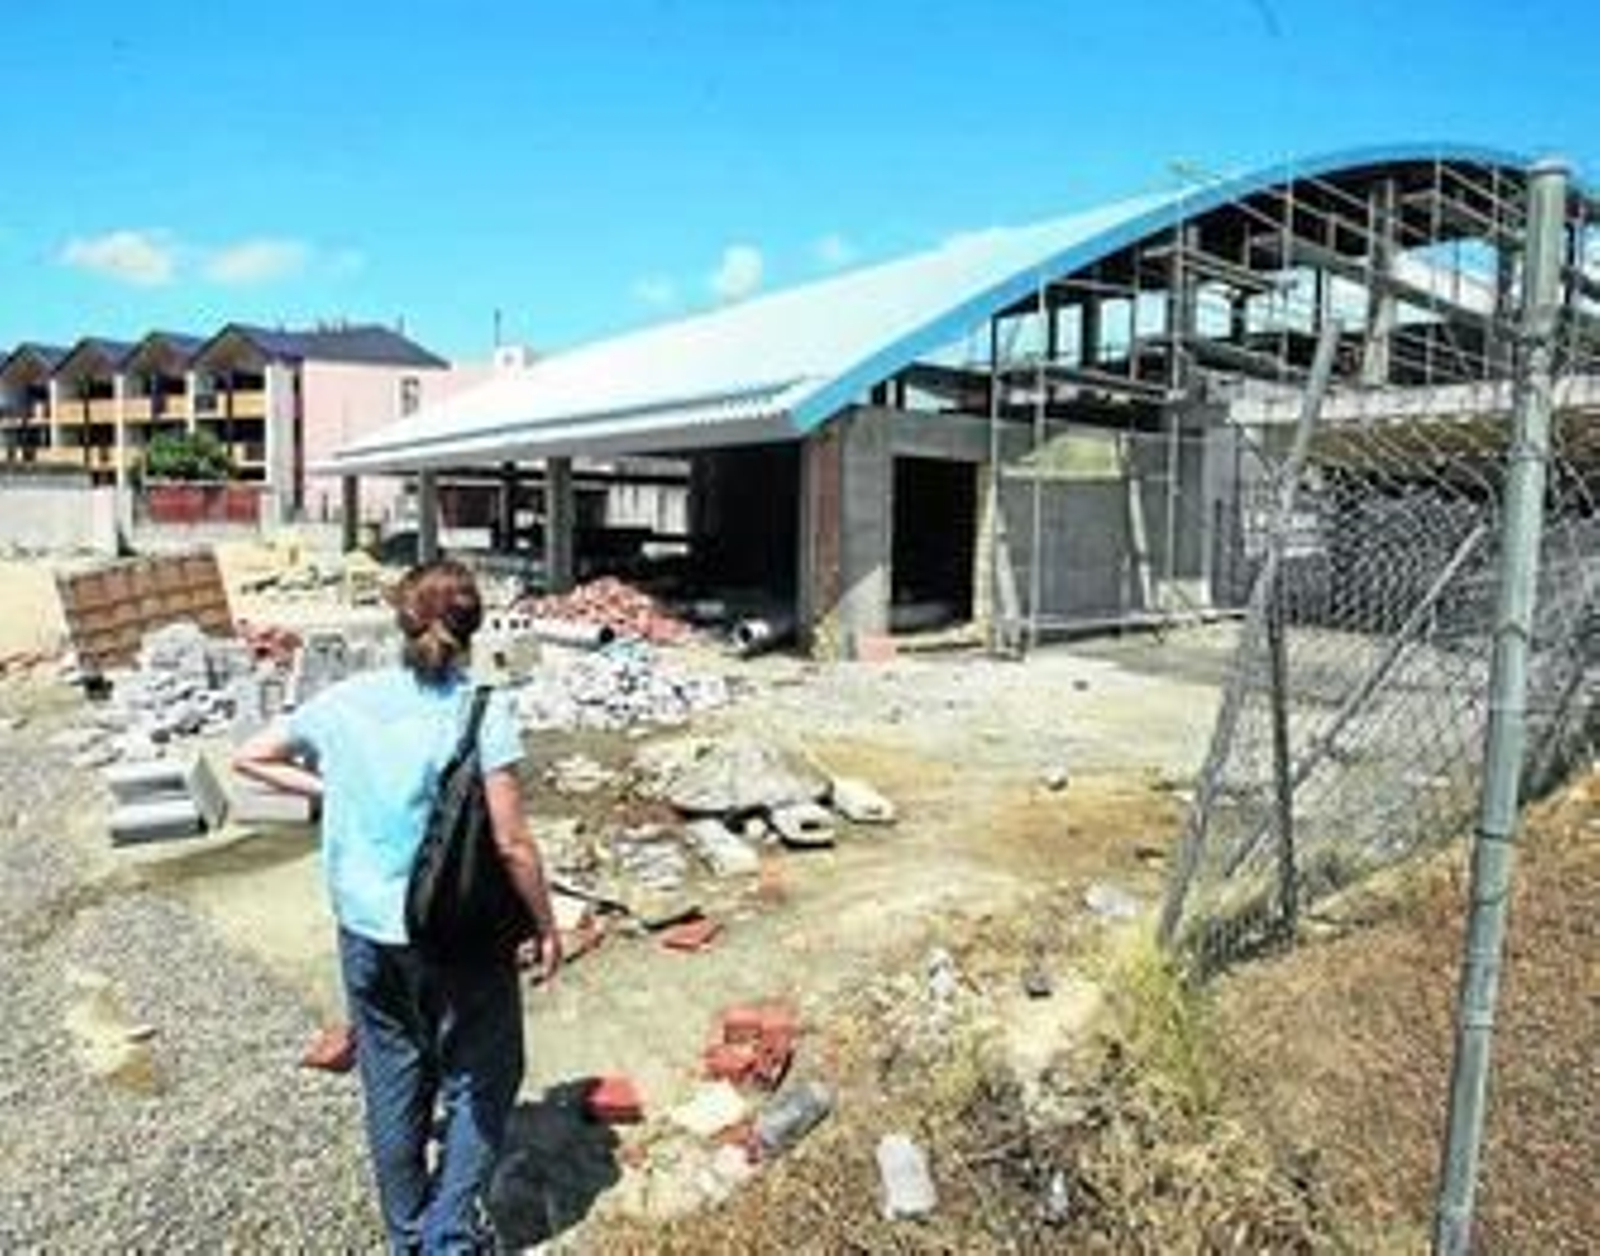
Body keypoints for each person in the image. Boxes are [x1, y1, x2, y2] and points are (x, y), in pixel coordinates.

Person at [235, 559, 561, 1254]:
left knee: (391, 1080)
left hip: (364, 930)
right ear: (473, 629)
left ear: (401, 622)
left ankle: (407, 1233)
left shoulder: (345, 701)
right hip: (455, 933)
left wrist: (332, 792)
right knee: (486, 1072)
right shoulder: (483, 708)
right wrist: (545, 924)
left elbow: (250, 757)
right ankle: (446, 1236)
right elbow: (513, 844)